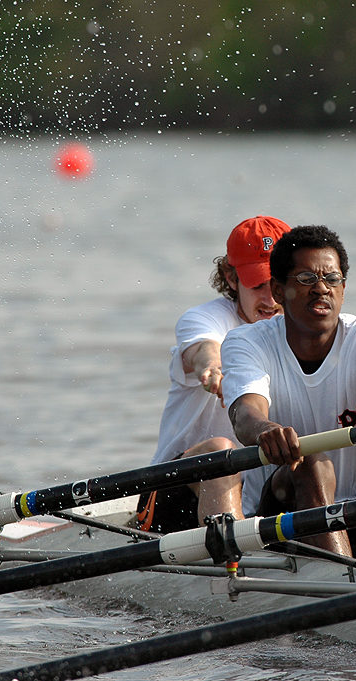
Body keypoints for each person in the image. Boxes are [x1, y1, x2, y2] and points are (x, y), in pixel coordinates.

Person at [222, 225, 356, 559]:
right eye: (307, 279)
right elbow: (245, 414)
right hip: (281, 517)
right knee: (313, 464)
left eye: (332, 279)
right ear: (278, 291)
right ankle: (346, 581)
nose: (322, 288)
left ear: (343, 287)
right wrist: (265, 430)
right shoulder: (247, 342)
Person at [137, 216, 291, 533]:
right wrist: (214, 371)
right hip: (172, 492)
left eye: (277, 284)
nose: (271, 299)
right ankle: (232, 570)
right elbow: (205, 350)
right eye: (257, 284)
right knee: (221, 449)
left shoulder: (305, 334)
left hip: (254, 498)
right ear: (231, 278)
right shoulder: (205, 319)